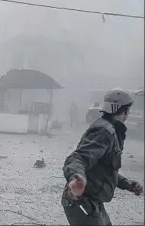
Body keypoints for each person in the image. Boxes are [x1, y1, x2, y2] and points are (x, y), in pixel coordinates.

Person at [61, 88, 143, 226]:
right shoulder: (104, 131)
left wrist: (127, 184)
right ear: (127, 112)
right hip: (82, 201)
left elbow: (106, 169)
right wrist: (76, 180)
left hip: (93, 200)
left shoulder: (111, 130)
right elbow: (77, 158)